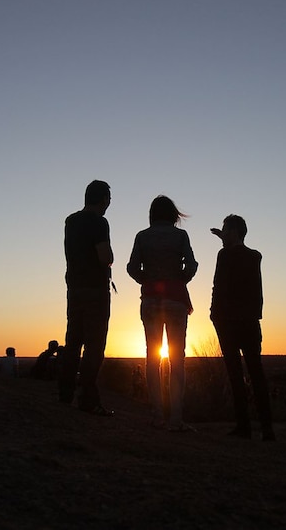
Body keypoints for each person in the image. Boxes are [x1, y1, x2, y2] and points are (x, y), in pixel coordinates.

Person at [127, 195, 198, 431]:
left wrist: (145, 280)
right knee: (177, 359)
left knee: (152, 358)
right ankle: (176, 418)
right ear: (172, 214)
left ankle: (158, 415)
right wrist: (180, 280)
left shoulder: (142, 236)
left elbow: (131, 267)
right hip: (176, 300)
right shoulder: (180, 236)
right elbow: (192, 264)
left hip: (151, 301)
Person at [210, 214, 274, 441]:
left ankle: (244, 427)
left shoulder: (224, 255)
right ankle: (267, 428)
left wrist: (213, 314)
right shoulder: (255, 256)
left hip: (228, 322)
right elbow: (256, 291)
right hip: (250, 322)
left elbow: (218, 286)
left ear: (235, 231)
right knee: (256, 373)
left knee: (236, 375)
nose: (223, 232)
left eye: (226, 229)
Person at [59, 180, 115, 416]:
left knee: (73, 342)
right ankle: (88, 399)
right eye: (108, 199)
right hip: (95, 290)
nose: (109, 204)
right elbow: (105, 257)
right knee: (94, 345)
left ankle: (64, 394)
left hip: (74, 287)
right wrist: (110, 257)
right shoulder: (99, 222)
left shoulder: (71, 221)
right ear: (103, 199)